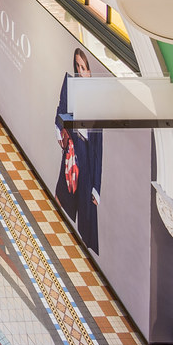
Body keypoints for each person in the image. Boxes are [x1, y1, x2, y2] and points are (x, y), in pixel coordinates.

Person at [55, 47, 102, 253]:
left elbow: (98, 149)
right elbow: (61, 110)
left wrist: (96, 188)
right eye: (78, 67)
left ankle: (80, 254)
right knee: (62, 195)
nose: (80, 71)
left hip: (86, 159)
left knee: (86, 216)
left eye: (84, 68)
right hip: (72, 151)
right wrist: (60, 131)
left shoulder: (99, 100)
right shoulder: (71, 84)